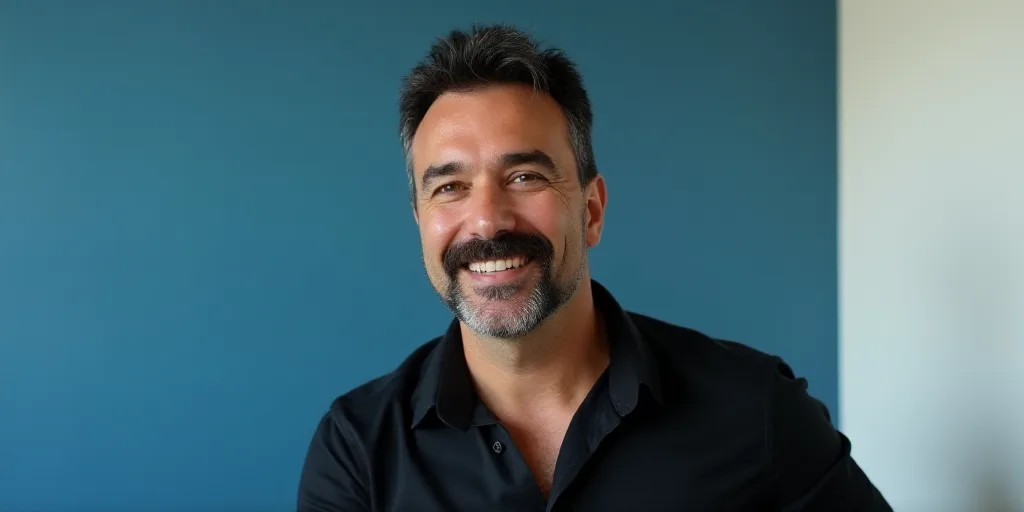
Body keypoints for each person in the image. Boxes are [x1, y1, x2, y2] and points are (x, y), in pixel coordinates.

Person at [297, 24, 891, 511]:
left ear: (592, 210)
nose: (486, 221)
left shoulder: (756, 410)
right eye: (449, 187)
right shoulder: (358, 451)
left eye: (525, 176)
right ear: (420, 222)